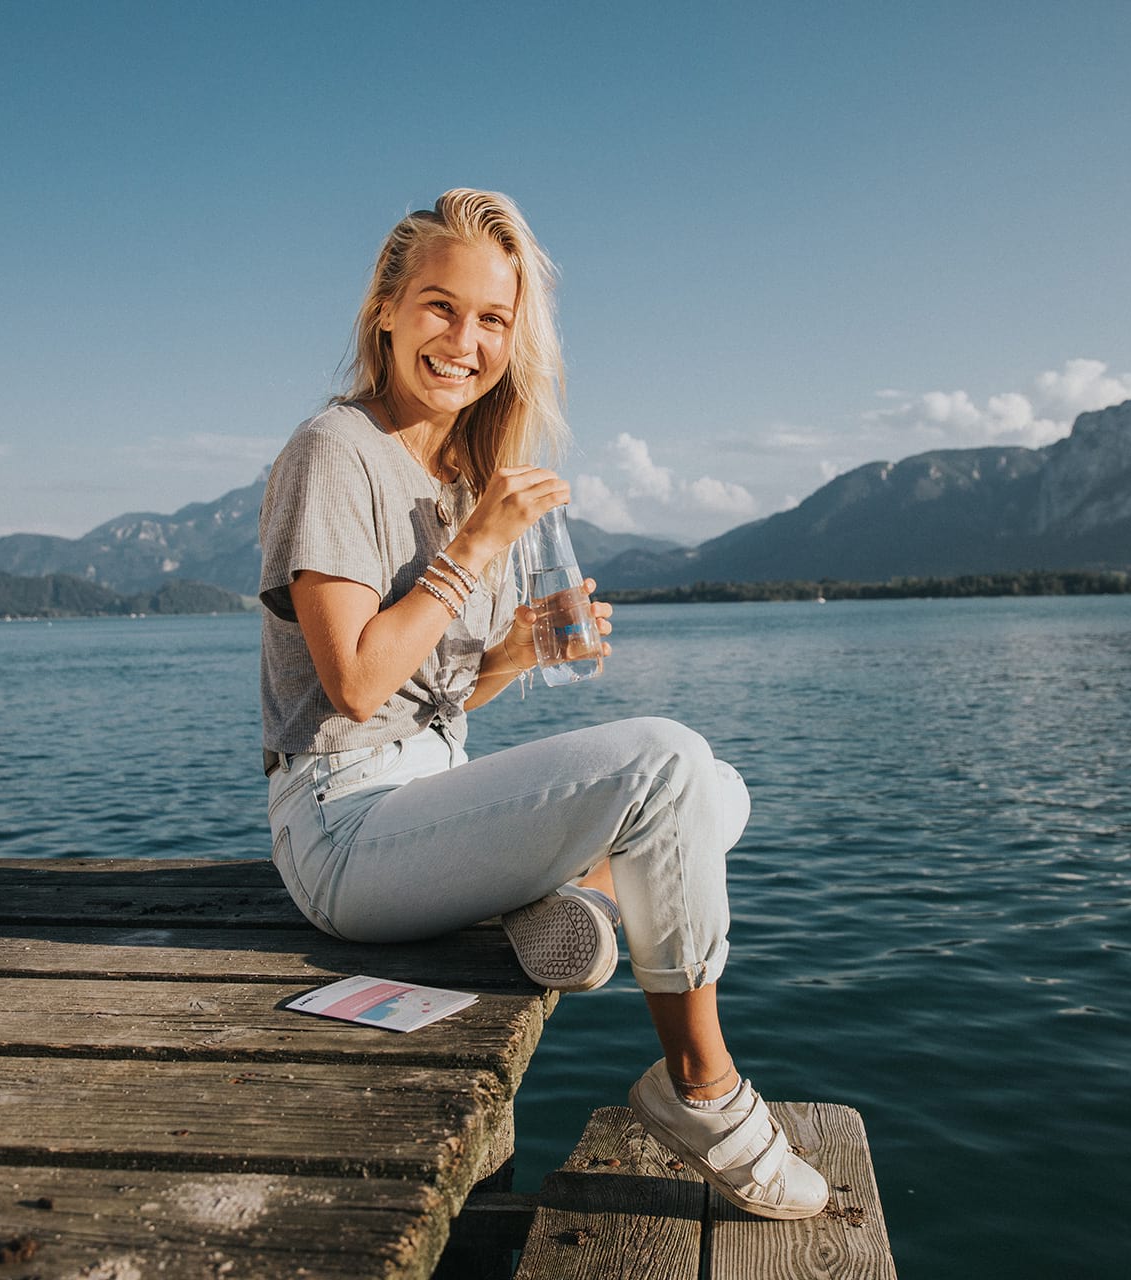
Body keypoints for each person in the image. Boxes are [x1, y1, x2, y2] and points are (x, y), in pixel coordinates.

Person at [258, 188, 828, 1219]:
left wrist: (514, 650)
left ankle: (586, 906)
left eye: (491, 319)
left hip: (424, 793)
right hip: (339, 830)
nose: (462, 340)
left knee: (713, 784)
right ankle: (699, 1087)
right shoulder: (333, 449)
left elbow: (431, 698)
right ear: (384, 308)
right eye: (439, 306)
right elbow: (350, 686)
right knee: (668, 762)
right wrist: (473, 547)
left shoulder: (458, 470)